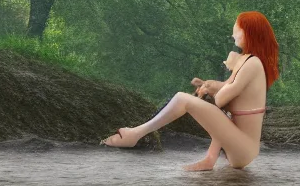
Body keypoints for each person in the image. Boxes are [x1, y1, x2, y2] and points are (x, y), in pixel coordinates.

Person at [101, 11, 277, 168]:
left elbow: (221, 100)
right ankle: (209, 159)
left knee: (182, 98)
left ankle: (135, 134)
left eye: (237, 29)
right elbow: (226, 91)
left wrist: (232, 66)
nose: (233, 33)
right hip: (239, 146)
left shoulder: (252, 63)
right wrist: (208, 85)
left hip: (243, 147)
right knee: (211, 111)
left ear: (250, 32)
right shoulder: (247, 61)